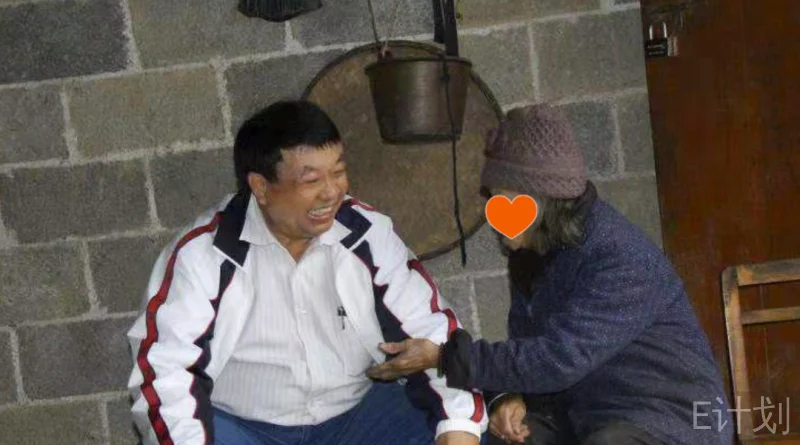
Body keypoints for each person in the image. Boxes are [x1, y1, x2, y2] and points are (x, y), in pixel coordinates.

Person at [366, 104, 734, 445]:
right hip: (587, 412)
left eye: (507, 199)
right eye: (493, 198)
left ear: (542, 202)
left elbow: (558, 360)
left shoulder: (619, 256)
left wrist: (445, 357)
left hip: (674, 417)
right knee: (508, 437)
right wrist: (510, 397)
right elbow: (528, 345)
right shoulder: (533, 250)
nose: (496, 215)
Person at [126, 100, 488, 445]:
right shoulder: (204, 255)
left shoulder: (367, 235)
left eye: (339, 172)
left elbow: (430, 333)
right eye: (311, 180)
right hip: (242, 429)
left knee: (462, 428)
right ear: (261, 187)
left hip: (357, 421)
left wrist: (458, 429)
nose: (332, 192)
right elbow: (167, 371)